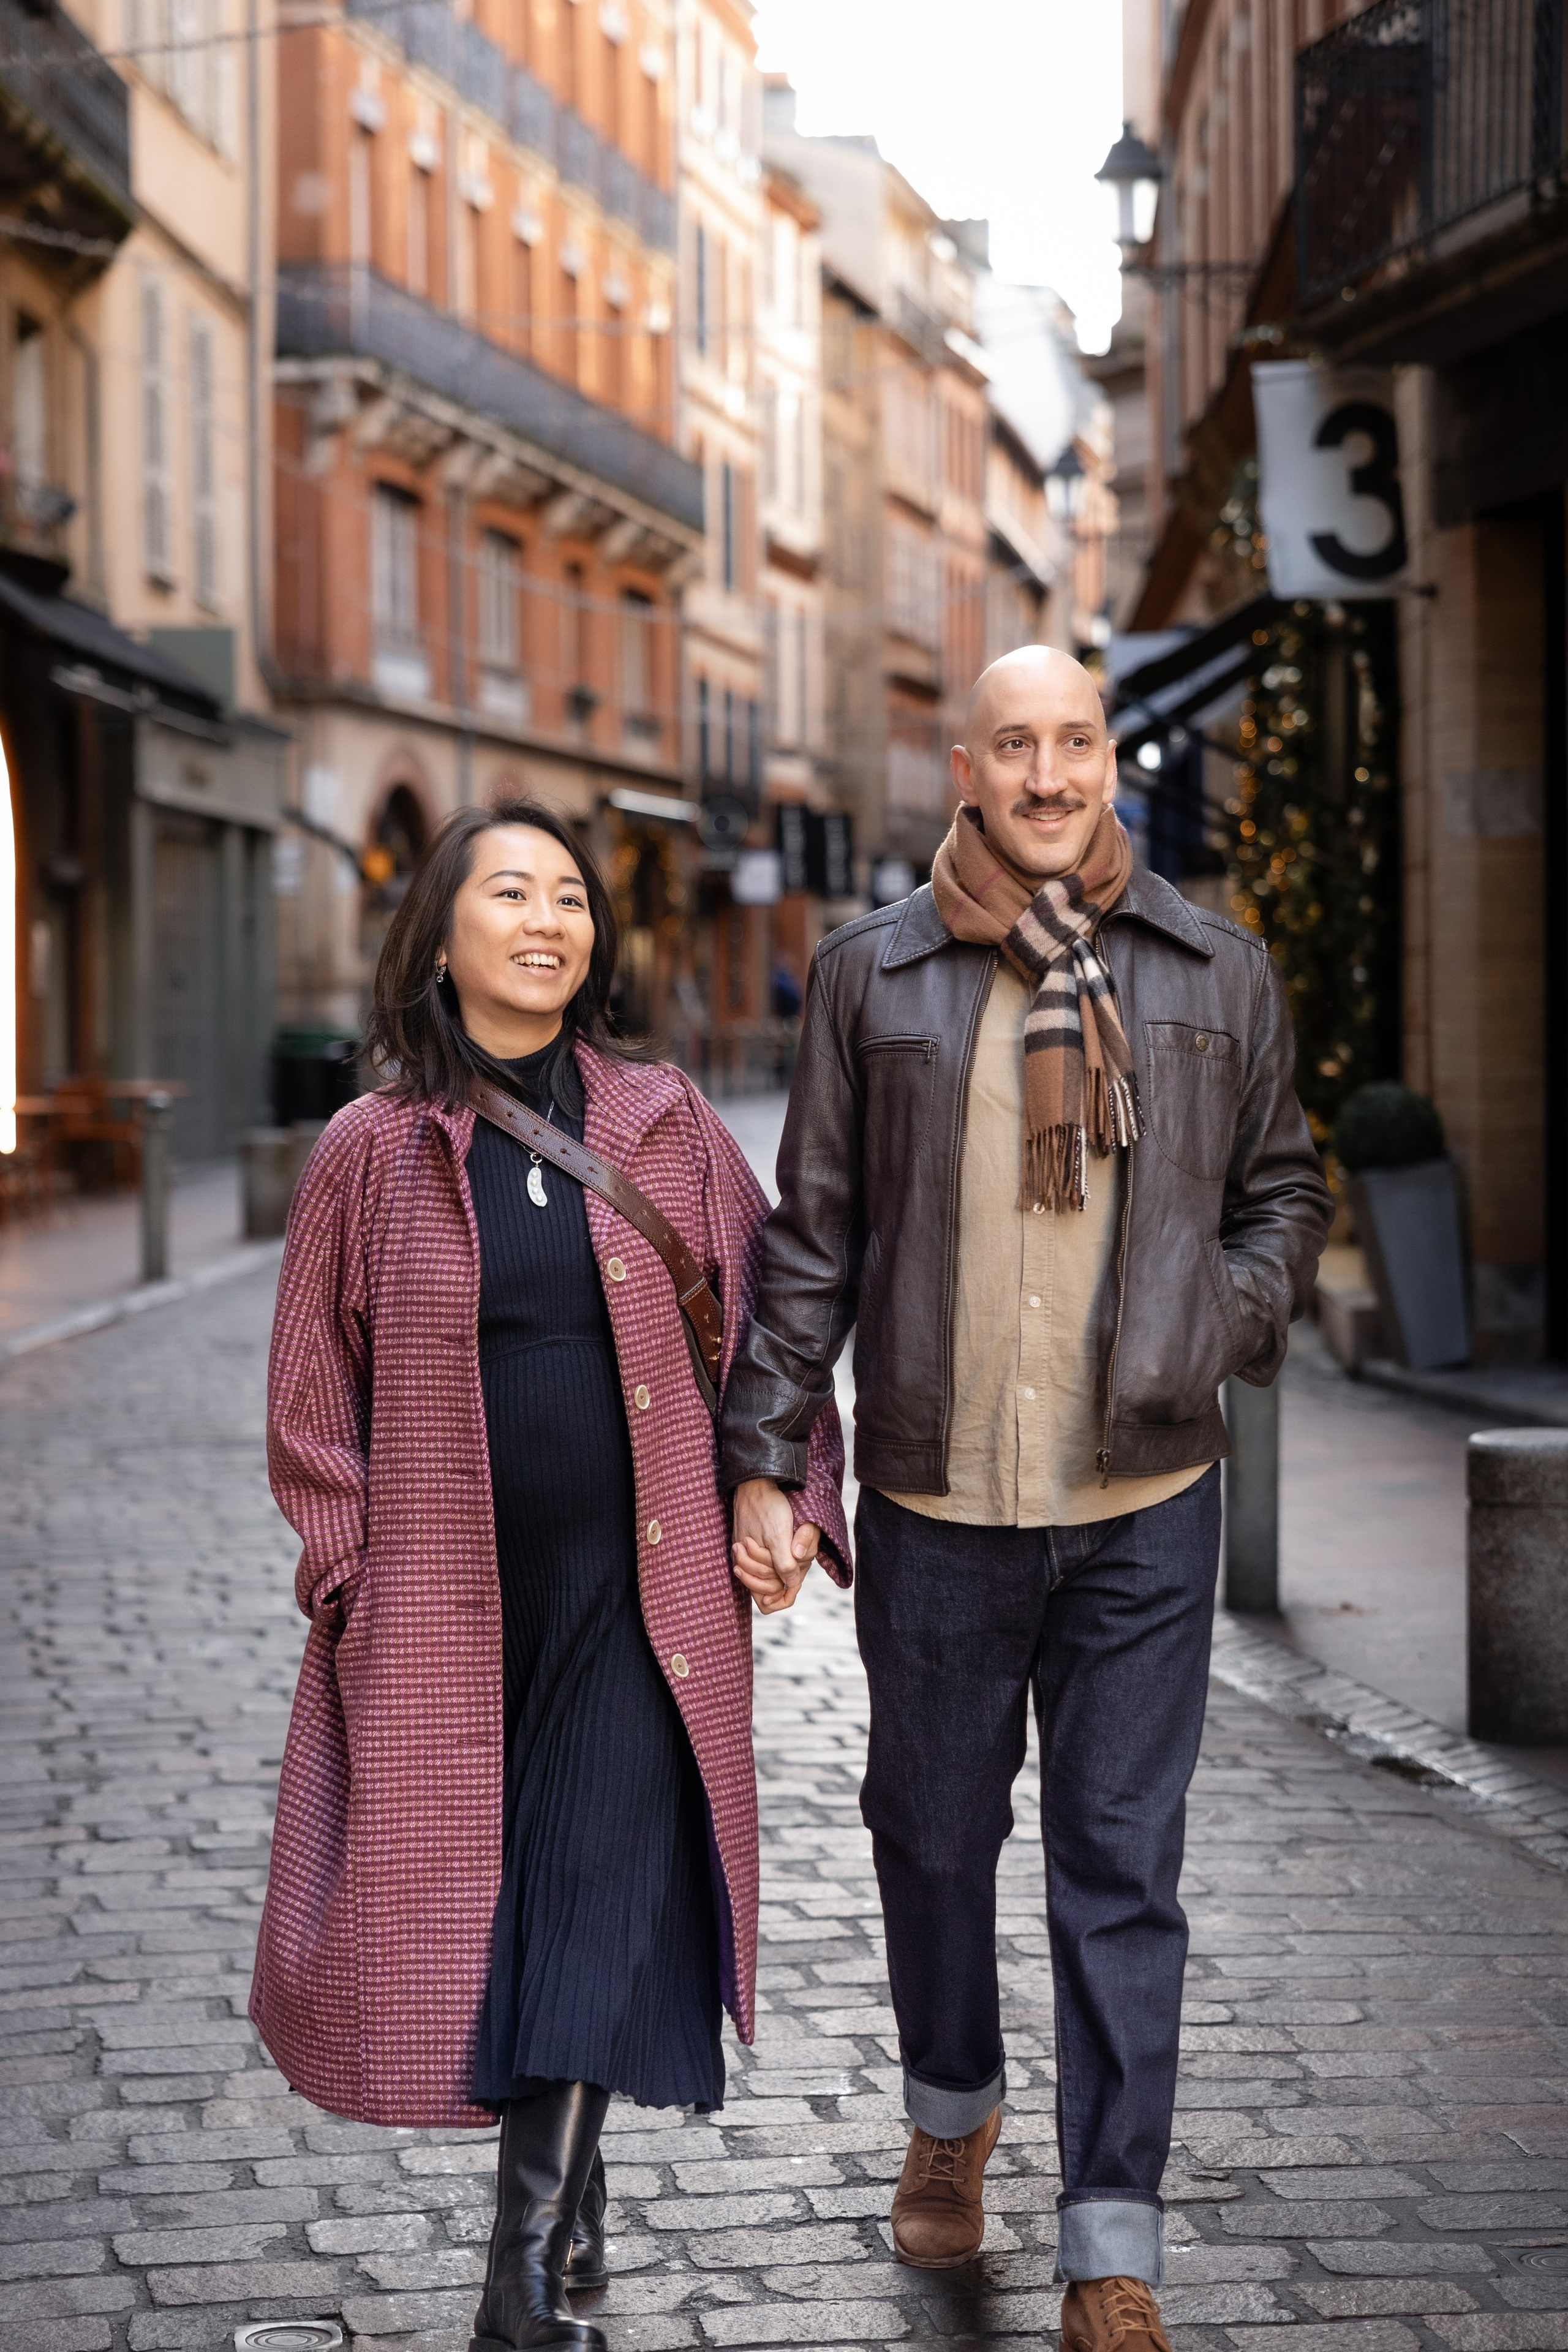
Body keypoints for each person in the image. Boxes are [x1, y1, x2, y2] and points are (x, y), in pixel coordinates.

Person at [722, 649, 1332, 2352]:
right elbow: (812, 1239)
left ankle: (1109, 2245)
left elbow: (1284, 1196)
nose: (1049, 774)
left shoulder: (1215, 969)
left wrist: (1218, 1316)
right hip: (940, 1496)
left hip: (1146, 1497)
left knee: (1119, 1869)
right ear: (968, 769)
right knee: (928, 1840)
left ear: (1110, 758)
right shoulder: (873, 974)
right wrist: (766, 1450)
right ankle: (951, 2110)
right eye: (1015, 744)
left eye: (1075, 741)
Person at [250, 798, 848, 2352]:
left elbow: (773, 1318)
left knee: (590, 1873)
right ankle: (570, 2193)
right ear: (439, 935)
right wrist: (348, 1580)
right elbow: (310, 1400)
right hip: (442, 1609)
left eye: (568, 896)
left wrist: (778, 1483)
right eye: (508, 893)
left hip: (638, 1594)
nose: (545, 920)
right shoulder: (369, 1150)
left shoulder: (661, 1120)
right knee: (492, 1897)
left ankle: (514, 2288)